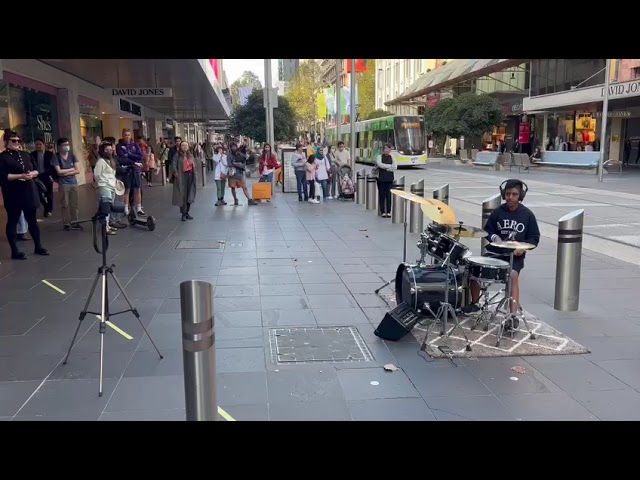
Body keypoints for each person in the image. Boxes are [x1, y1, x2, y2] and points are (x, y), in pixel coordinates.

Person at [464, 179, 540, 328]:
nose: (510, 197)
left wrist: (522, 249)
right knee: (472, 270)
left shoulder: (528, 215)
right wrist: (494, 237)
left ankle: (512, 316)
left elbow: (534, 238)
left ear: (521, 196)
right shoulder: (498, 212)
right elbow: (487, 231)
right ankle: (475, 304)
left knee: (512, 276)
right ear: (503, 194)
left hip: (514, 257)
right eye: (507, 194)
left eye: (514, 194)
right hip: (495, 253)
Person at [0, 128, 49, 259]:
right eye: (13, 140)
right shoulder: (3, 157)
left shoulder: (25, 155)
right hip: (13, 193)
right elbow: (3, 176)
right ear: (6, 142)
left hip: (28, 190)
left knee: (32, 220)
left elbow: (37, 170)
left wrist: (30, 174)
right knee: (13, 220)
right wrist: (19, 176)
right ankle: (14, 251)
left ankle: (38, 246)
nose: (16, 143)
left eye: (18, 140)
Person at [51, 137, 81, 231]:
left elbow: (78, 170)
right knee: (65, 204)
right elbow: (59, 172)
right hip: (63, 184)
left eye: (67, 144)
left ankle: (75, 222)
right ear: (59, 146)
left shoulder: (72, 156)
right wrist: (71, 170)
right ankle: (66, 223)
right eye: (64, 145)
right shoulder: (56, 157)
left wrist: (65, 172)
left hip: (73, 183)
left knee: (74, 204)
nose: (66, 147)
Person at [93, 141, 122, 235]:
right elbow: (97, 174)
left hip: (111, 186)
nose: (110, 151)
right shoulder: (101, 161)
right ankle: (104, 228)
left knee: (108, 208)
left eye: (111, 150)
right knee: (106, 207)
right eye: (107, 150)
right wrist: (103, 183)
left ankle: (107, 226)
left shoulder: (110, 161)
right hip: (105, 186)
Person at [116, 128, 145, 216]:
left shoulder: (135, 145)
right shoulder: (119, 146)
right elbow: (122, 159)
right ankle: (126, 208)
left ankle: (139, 208)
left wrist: (129, 154)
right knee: (127, 189)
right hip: (127, 170)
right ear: (122, 135)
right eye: (125, 135)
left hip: (136, 170)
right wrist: (133, 160)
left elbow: (140, 156)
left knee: (137, 188)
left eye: (129, 135)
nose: (127, 137)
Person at [170, 140, 198, 221]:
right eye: (183, 145)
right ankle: (183, 213)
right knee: (182, 195)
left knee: (190, 194)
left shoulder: (190, 155)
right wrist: (175, 173)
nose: (185, 147)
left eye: (186, 145)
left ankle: (187, 212)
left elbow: (193, 164)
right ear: (180, 147)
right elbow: (173, 165)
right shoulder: (177, 155)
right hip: (182, 177)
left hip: (190, 176)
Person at [227, 142, 257, 206]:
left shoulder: (240, 154)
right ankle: (235, 199)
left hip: (239, 174)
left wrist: (237, 164)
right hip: (232, 174)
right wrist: (238, 164)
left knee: (244, 187)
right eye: (232, 147)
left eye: (235, 146)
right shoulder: (229, 155)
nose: (234, 148)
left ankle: (249, 200)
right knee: (233, 187)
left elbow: (244, 162)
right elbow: (229, 164)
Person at [30, 138, 55, 217]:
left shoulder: (49, 154)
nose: (38, 146)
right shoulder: (32, 154)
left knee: (49, 194)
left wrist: (53, 177)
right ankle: (46, 207)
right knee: (39, 194)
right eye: (36, 144)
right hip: (37, 177)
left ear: (43, 145)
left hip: (47, 176)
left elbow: (53, 167)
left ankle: (49, 210)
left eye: (40, 144)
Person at [376, 143, 397, 217]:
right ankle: (382, 211)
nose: (387, 150)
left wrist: (385, 167)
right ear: (383, 149)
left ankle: (388, 211)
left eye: (388, 148)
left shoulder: (393, 157)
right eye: (385, 148)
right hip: (381, 179)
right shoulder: (379, 156)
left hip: (389, 179)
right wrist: (389, 167)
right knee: (382, 195)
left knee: (389, 195)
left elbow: (394, 167)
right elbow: (379, 164)